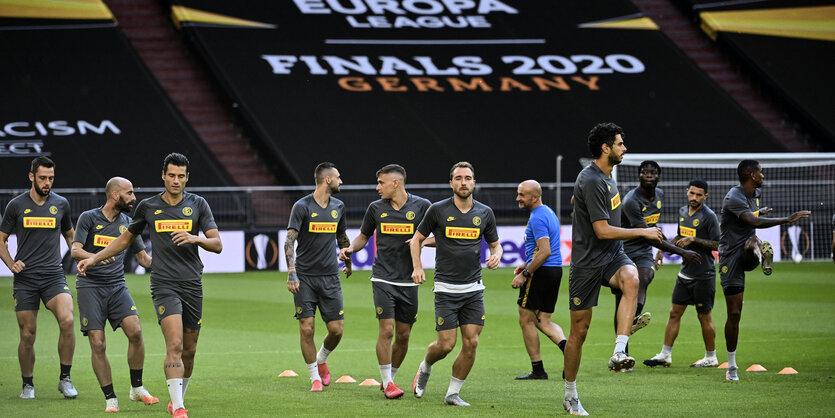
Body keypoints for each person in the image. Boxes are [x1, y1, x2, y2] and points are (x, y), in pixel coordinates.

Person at [79, 153, 223, 418]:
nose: (176, 180)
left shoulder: (199, 204)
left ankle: (178, 398)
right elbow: (124, 240)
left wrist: (195, 238)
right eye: (171, 175)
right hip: (163, 284)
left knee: (190, 351)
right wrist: (94, 258)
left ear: (187, 178)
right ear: (163, 175)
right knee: (175, 345)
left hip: (192, 283)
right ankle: (178, 408)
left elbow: (218, 244)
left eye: (181, 176)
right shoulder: (148, 206)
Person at [562, 123, 664, 415]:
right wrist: (643, 233)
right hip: (586, 263)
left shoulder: (605, 177)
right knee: (579, 331)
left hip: (612, 256)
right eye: (620, 144)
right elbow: (603, 231)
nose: (625, 148)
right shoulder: (592, 180)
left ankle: (619, 351)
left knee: (632, 278)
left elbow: (581, 201)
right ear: (606, 148)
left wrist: (578, 199)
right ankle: (570, 394)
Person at [410, 161, 502, 407]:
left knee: (471, 342)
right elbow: (416, 240)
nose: (463, 182)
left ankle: (452, 393)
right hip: (446, 289)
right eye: (458, 178)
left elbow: (495, 243)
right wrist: (418, 267)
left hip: (473, 289)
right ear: (451, 182)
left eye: (468, 178)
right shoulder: (438, 210)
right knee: (446, 345)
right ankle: (425, 366)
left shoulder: (485, 213)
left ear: (474, 182)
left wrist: (497, 255)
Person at [339, 164, 431, 399]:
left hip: (409, 280)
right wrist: (351, 248)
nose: (377, 187)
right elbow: (363, 237)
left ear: (395, 183)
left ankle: (391, 376)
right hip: (383, 277)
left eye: (381, 182)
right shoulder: (375, 208)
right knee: (387, 330)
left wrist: (420, 242)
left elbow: (439, 237)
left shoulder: (422, 207)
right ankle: (388, 382)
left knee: (403, 334)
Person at [71, 177, 158, 412]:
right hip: (90, 287)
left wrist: (166, 260)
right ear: (115, 195)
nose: (134, 197)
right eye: (129, 193)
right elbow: (75, 249)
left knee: (136, 332)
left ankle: (137, 388)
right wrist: (94, 256)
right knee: (98, 343)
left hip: (117, 286)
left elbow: (143, 258)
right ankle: (110, 398)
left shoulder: (129, 223)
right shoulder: (88, 218)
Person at [719, 159, 809, 381]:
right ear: (751, 175)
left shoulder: (753, 195)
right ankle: (731, 367)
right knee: (734, 313)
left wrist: (759, 212)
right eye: (761, 172)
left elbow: (751, 218)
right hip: (730, 257)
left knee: (751, 241)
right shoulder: (734, 196)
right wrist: (786, 219)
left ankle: (760, 254)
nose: (763, 175)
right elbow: (752, 221)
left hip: (745, 251)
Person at [0, 156, 78, 400]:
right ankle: (28, 384)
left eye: (51, 178)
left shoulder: (61, 204)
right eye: (43, 178)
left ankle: (65, 379)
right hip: (26, 279)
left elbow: (70, 236)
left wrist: (82, 257)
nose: (47, 182)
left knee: (67, 320)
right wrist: (12, 264)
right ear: (31, 176)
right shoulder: (16, 205)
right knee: (27, 334)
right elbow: (1, 240)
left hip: (54, 276)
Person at [616, 161, 701, 351]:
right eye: (644, 172)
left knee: (645, 277)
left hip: (645, 248)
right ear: (638, 176)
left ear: (658, 176)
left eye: (652, 173)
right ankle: (621, 351)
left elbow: (653, 228)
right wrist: (682, 252)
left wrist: (661, 248)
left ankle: (632, 320)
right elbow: (646, 234)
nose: (648, 175)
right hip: (624, 248)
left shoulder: (660, 195)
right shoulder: (631, 201)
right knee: (622, 296)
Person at [285, 162, 352, 392]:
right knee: (307, 328)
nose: (341, 181)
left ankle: (321, 359)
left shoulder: (339, 207)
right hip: (304, 277)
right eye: (338, 177)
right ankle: (315, 377)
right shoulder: (302, 206)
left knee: (337, 330)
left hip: (330, 277)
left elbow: (341, 236)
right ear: (327, 180)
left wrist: (348, 259)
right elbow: (289, 241)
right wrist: (291, 272)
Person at [644, 179, 720, 368]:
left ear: (706, 196)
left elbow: (719, 244)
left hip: (704, 274)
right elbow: (679, 236)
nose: (694, 197)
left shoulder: (709, 217)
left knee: (704, 316)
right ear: (687, 192)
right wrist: (663, 248)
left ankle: (711, 357)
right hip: (685, 274)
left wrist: (693, 239)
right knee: (674, 313)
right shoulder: (682, 211)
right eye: (692, 193)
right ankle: (665, 355)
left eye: (699, 195)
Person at [510, 180, 567, 380]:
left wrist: (524, 275)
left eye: (522, 195)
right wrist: (526, 265)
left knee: (526, 320)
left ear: (535, 197)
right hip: (554, 271)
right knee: (544, 320)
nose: (518, 198)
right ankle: (569, 351)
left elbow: (545, 251)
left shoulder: (537, 218)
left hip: (541, 273)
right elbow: (544, 252)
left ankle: (538, 370)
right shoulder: (548, 212)